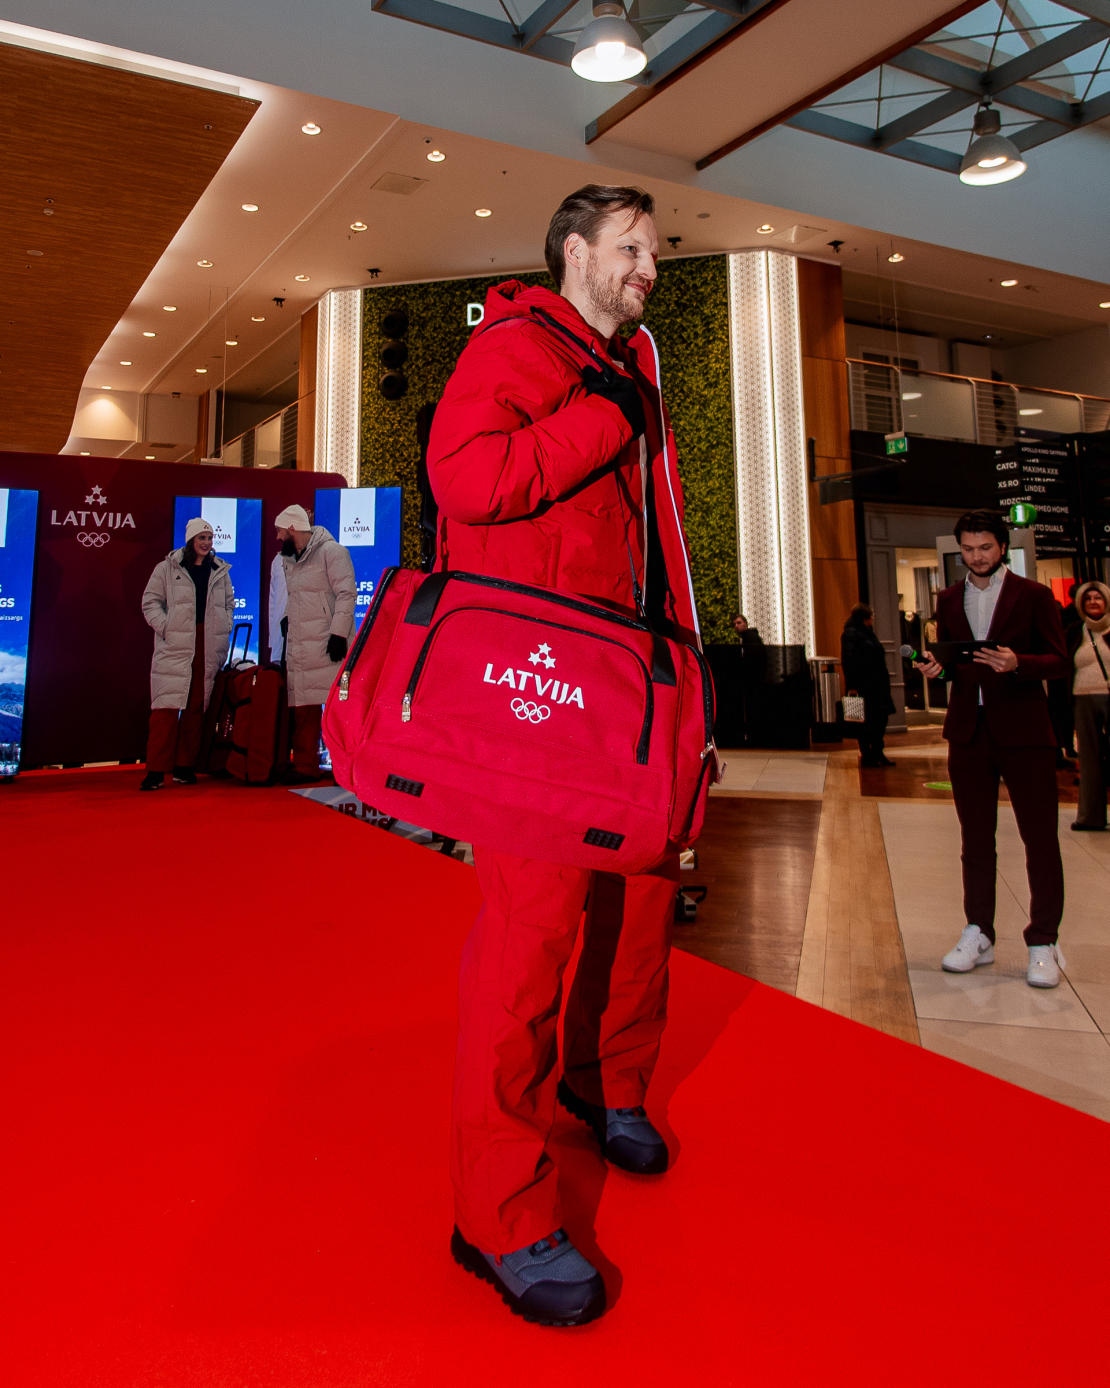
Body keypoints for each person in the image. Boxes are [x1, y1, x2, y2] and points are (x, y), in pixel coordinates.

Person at [427, 184, 702, 1326]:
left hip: (629, 695)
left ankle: (607, 1081)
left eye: (656, 252)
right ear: (574, 251)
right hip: (533, 700)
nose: (650, 267)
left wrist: (692, 700)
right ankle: (497, 1211)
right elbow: (471, 483)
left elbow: (657, 550)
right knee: (530, 942)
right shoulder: (517, 345)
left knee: (639, 906)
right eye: (632, 248)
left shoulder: (629, 370)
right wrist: (603, 418)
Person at [915, 510, 1069, 988]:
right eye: (968, 549)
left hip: (1025, 733)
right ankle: (979, 932)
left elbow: (1059, 662)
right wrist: (939, 670)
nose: (976, 557)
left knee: (1039, 841)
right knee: (975, 841)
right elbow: (958, 660)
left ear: (1001, 547)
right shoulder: (948, 599)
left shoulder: (1034, 596)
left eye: (984, 547)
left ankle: (1043, 940)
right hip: (968, 732)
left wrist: (1017, 662)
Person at [140, 517, 234, 791]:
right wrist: (166, 626)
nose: (206, 543)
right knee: (165, 709)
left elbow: (229, 604)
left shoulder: (219, 570)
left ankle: (184, 767)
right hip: (176, 643)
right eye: (201, 538)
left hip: (206, 643)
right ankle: (156, 771)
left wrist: (224, 625)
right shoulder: (167, 568)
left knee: (196, 708)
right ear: (191, 540)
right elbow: (150, 602)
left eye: (209, 538)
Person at [273, 504, 356, 786]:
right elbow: (293, 596)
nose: (277, 536)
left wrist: (339, 634)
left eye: (280, 530)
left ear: (292, 528)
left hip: (327, 640)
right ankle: (306, 765)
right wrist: (286, 618)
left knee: (336, 709)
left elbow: (346, 594)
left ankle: (344, 767)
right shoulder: (288, 559)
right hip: (300, 640)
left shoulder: (333, 552)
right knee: (303, 706)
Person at [1067, 580, 1110, 831]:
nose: (1093, 602)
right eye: (1088, 599)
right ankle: (1089, 817)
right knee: (1089, 759)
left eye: (1098, 598)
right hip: (1082, 698)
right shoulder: (1074, 631)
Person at [840, 602, 895, 767]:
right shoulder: (851, 634)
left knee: (880, 719)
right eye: (871, 615)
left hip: (876, 685)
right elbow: (848, 661)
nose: (873, 618)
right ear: (865, 617)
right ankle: (868, 755)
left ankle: (877, 752)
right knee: (865, 721)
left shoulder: (867, 633)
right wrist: (852, 686)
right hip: (864, 685)